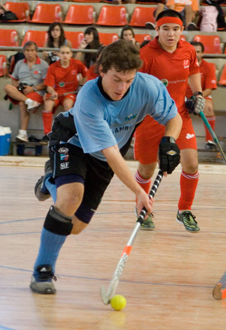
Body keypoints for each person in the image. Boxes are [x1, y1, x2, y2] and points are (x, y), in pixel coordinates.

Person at [29, 40, 182, 294]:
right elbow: (112, 155)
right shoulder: (89, 98)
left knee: (76, 226)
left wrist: (170, 141)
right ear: (102, 71)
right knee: (70, 199)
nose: (122, 88)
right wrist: (139, 192)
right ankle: (43, 271)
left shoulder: (148, 87)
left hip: (106, 155)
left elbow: (173, 117)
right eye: (116, 79)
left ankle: (49, 181)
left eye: (129, 80)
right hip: (73, 141)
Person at [133, 9, 205, 232]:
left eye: (175, 29)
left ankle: (184, 210)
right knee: (146, 170)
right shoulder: (146, 55)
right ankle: (142, 209)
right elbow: (135, 88)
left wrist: (198, 94)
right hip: (150, 119)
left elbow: (193, 71)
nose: (171, 34)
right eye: (165, 29)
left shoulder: (188, 50)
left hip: (179, 115)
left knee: (191, 163)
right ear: (157, 30)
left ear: (182, 30)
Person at [3, 41, 48, 143]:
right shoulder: (19, 64)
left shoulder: (43, 64)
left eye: (32, 50)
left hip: (37, 91)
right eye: (27, 51)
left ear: (36, 52)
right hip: (22, 91)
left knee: (22, 103)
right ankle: (28, 101)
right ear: (24, 52)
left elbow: (46, 83)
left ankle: (23, 133)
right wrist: (18, 86)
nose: (30, 53)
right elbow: (14, 79)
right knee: (7, 87)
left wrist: (33, 89)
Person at [42, 45, 88, 144]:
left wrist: (82, 82)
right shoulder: (53, 67)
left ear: (71, 54)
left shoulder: (77, 64)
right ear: (58, 54)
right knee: (48, 104)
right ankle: (47, 134)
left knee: (68, 105)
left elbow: (86, 74)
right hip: (57, 93)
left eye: (67, 53)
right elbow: (49, 86)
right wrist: (52, 92)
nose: (65, 55)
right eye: (62, 53)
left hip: (70, 94)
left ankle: (69, 133)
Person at [187, 41, 217, 150]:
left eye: (198, 52)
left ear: (202, 54)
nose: (195, 54)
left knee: (208, 107)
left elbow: (209, 89)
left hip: (202, 95)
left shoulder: (209, 67)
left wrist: (197, 97)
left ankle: (210, 140)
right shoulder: (182, 64)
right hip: (183, 95)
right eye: (193, 51)